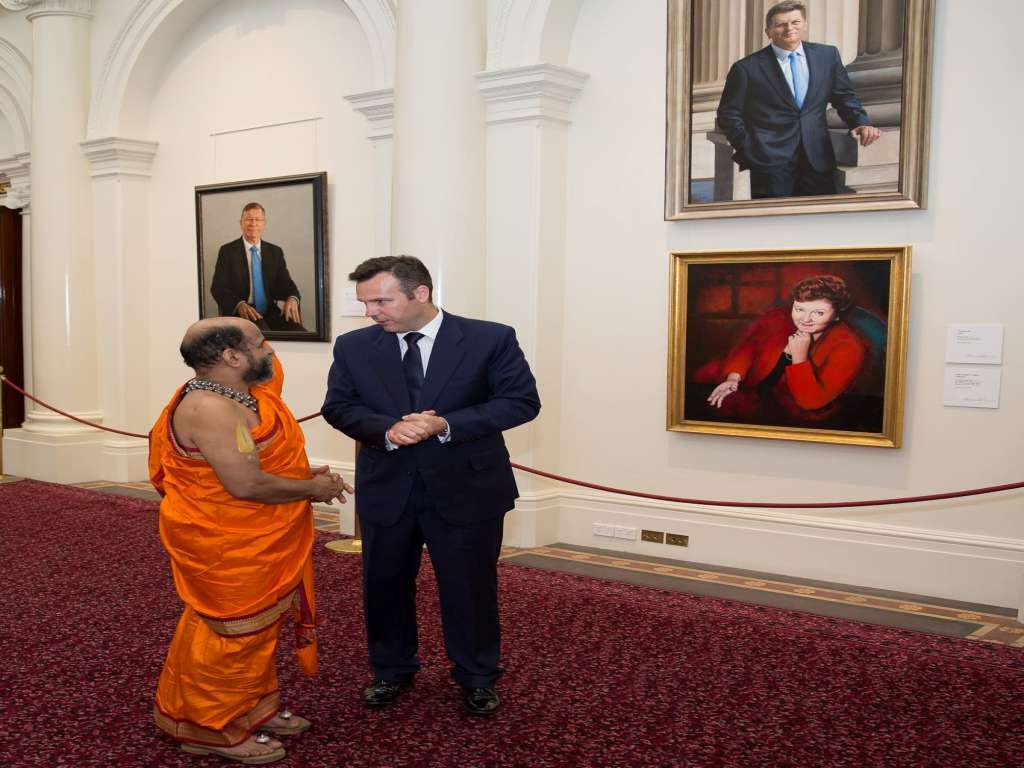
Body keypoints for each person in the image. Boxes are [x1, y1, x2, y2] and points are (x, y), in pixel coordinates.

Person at [321, 255, 540, 716]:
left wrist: (445, 424)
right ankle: (390, 670)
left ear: (420, 293)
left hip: (467, 488)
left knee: (470, 588)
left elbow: (520, 401)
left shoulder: (490, 338)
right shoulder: (354, 346)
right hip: (388, 487)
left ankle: (477, 677)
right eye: (365, 303)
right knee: (384, 585)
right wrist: (386, 429)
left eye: (381, 301)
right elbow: (339, 407)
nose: (371, 312)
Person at [149, 317, 352, 764]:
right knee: (234, 633)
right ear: (232, 357)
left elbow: (248, 461)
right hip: (226, 544)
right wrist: (311, 489)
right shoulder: (210, 408)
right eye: (261, 344)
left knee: (258, 631)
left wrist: (297, 475)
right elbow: (245, 484)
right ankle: (211, 728)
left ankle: (250, 709)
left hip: (254, 537)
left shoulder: (239, 395)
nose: (270, 351)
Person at [716, 1, 883, 199]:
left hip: (818, 156)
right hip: (769, 162)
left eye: (795, 22)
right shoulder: (746, 68)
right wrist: (750, 148)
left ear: (805, 25)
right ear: (768, 31)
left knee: (819, 215)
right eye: (781, 24)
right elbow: (728, 114)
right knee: (775, 217)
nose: (789, 28)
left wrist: (860, 123)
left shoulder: (827, 56)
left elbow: (845, 96)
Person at [706, 275, 867, 418]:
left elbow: (810, 402)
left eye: (818, 313)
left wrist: (800, 357)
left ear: (836, 315)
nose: (805, 319)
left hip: (798, 417)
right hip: (753, 395)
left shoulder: (849, 347)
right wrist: (733, 378)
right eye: (799, 309)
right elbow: (748, 347)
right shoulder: (777, 318)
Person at [210, 202, 307, 332]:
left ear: (264, 223)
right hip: (243, 314)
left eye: (258, 219)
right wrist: (239, 304)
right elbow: (218, 287)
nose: (253, 223)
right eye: (249, 219)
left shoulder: (275, 252)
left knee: (300, 333)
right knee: (262, 333)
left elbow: (286, 283)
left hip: (271, 312)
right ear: (241, 223)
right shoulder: (228, 251)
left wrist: (292, 298)